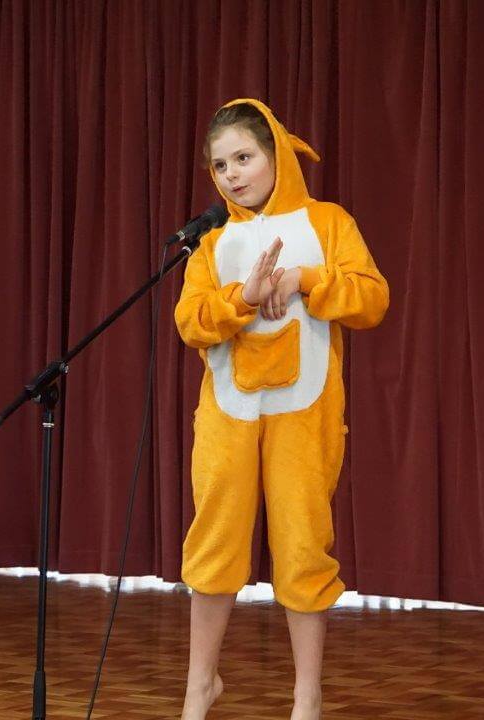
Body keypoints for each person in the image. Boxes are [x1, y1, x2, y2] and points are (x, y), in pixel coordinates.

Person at [173, 99, 389, 720]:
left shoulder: (327, 222)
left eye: (243, 157)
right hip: (229, 414)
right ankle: (199, 687)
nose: (232, 174)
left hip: (305, 412)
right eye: (220, 166)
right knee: (214, 543)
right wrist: (242, 298)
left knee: (302, 546)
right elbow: (191, 322)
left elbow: (372, 299)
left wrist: (303, 280)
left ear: (277, 155)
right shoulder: (211, 242)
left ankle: (307, 697)